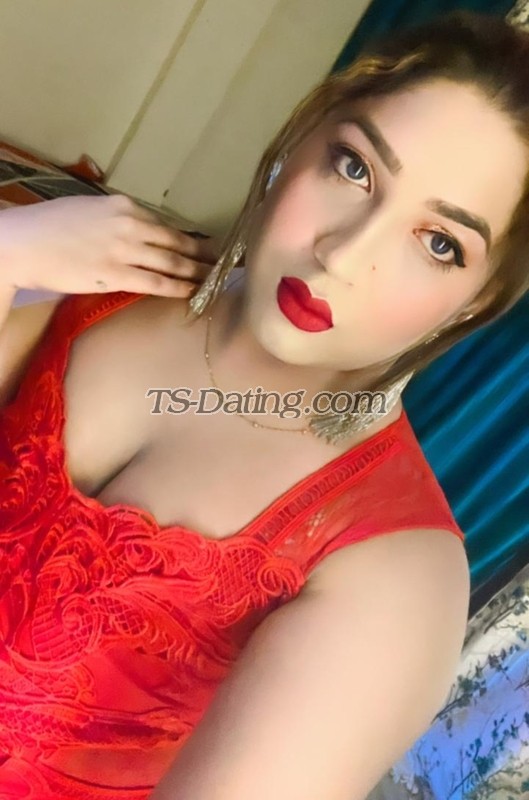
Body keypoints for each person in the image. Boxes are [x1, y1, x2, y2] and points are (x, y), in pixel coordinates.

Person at [0, 8, 528, 799]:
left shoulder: (395, 573)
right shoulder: (96, 274)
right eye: (354, 168)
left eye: (438, 243)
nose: (343, 256)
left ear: (474, 300)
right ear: (300, 139)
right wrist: (7, 255)